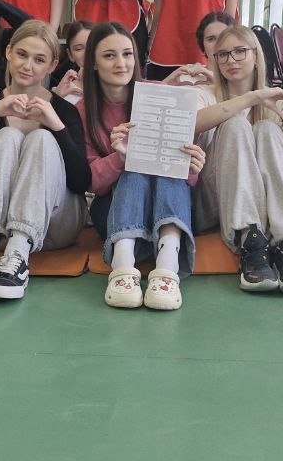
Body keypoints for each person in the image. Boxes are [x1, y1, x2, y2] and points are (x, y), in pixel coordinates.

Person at [0, 20, 90, 302]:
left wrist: (56, 126)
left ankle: (19, 255)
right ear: (9, 53)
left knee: (41, 139)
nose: (28, 66)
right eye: (22, 55)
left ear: (52, 66)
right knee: (7, 136)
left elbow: (82, 182)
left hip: (54, 227)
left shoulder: (64, 110)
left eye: (39, 60)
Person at [77, 22, 203, 310]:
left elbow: (185, 172)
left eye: (127, 54)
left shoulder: (159, 92)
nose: (121, 63)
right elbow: (91, 181)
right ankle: (122, 267)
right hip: (114, 214)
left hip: (166, 214)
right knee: (134, 164)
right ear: (93, 63)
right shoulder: (83, 110)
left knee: (163, 165)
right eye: (109, 55)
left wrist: (192, 167)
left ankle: (168, 268)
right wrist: (120, 157)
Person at [193, 24, 283, 294]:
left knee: (267, 129)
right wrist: (253, 97)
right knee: (235, 125)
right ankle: (249, 240)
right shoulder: (204, 93)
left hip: (265, 210)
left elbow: (280, 176)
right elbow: (192, 123)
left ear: (256, 55)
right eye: (223, 54)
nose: (231, 60)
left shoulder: (277, 103)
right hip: (213, 200)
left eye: (240, 51)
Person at [50, 20, 93, 104]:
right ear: (70, 55)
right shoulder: (63, 94)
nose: (87, 53)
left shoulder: (116, 85)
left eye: (92, 45)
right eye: (79, 49)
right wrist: (57, 98)